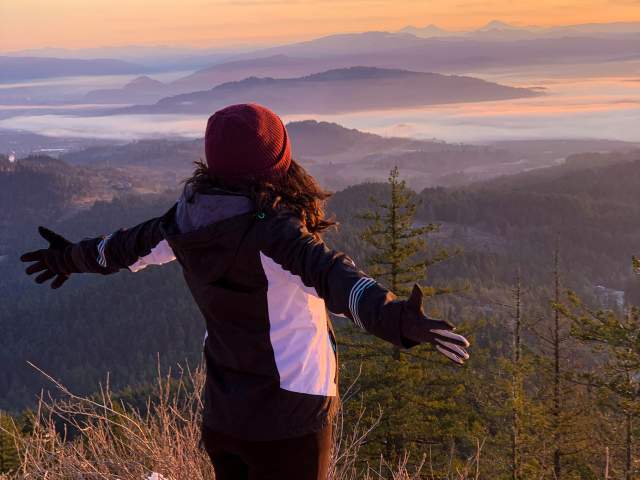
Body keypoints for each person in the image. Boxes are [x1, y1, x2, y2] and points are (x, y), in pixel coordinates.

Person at [21, 103, 470, 480]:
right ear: (279, 164)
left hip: (224, 415)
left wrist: (65, 258)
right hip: (291, 415)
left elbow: (119, 250)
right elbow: (338, 281)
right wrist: (399, 321)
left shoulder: (184, 221)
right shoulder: (274, 234)